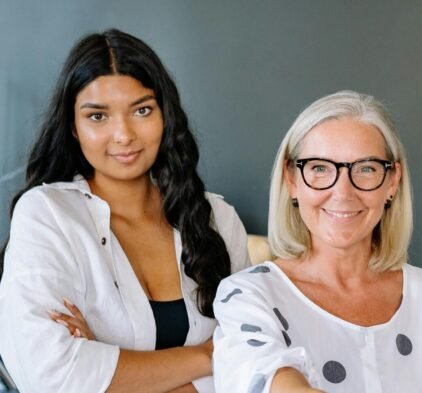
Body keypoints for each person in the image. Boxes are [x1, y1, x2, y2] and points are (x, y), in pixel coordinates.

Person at [0, 29, 250, 392]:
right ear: (73, 126)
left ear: (166, 114)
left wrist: (103, 361)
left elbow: (252, 361)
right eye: (98, 116)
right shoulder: (47, 214)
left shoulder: (217, 218)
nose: (123, 135)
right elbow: (50, 377)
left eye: (142, 110)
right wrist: (207, 355)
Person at [211, 91, 422, 393]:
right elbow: (264, 377)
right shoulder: (249, 296)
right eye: (319, 168)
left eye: (366, 169)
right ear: (291, 180)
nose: (343, 193)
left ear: (392, 182)